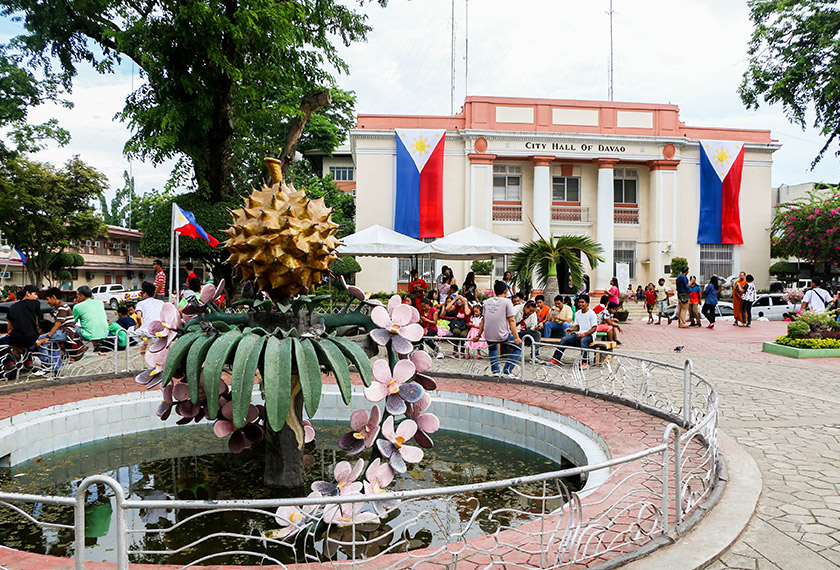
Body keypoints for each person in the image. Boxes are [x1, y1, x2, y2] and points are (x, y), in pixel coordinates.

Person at [477, 280, 522, 377]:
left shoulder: (487, 302)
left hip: (488, 335)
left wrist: (478, 335)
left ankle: (496, 372)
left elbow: (483, 320)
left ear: (494, 291)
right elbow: (511, 321)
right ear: (505, 292)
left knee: (492, 348)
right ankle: (507, 371)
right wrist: (516, 337)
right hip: (502, 335)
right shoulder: (507, 302)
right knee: (518, 348)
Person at [548, 294, 598, 369]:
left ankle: (585, 362)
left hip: (589, 335)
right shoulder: (578, 314)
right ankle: (556, 359)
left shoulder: (592, 314)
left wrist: (584, 334)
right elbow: (578, 326)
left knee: (583, 341)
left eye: (582, 302)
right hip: (579, 334)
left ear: (587, 303)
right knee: (565, 339)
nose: (580, 304)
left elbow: (594, 328)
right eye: (579, 302)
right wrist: (572, 329)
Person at [35, 288, 76, 352]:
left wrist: (48, 336)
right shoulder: (57, 307)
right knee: (54, 348)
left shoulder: (62, 307)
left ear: (53, 297)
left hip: (66, 332)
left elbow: (58, 323)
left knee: (40, 339)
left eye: (47, 299)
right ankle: (56, 361)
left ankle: (46, 360)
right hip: (63, 331)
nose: (47, 302)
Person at [0, 284, 41, 349]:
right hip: (31, 339)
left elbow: (9, 328)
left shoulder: (12, 307)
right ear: (27, 293)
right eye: (35, 294)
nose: (37, 297)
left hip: (15, 339)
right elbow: (36, 324)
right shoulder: (36, 303)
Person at [442, 285, 469, 357]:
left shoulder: (467, 306)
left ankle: (463, 350)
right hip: (457, 324)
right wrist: (454, 299)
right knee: (456, 332)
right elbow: (447, 308)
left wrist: (465, 303)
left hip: (465, 325)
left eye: (461, 300)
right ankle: (455, 349)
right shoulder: (456, 307)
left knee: (463, 335)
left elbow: (467, 313)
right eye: (458, 300)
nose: (459, 301)